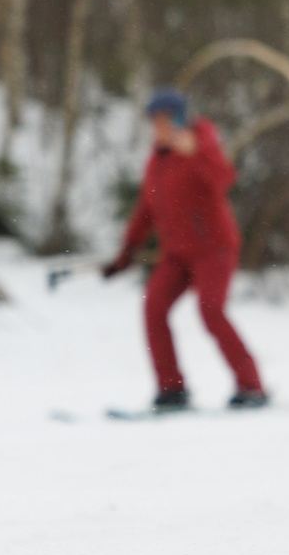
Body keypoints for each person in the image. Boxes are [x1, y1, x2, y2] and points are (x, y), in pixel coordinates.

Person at [103, 89, 269, 411]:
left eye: (163, 122)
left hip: (214, 248)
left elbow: (224, 179)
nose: (157, 130)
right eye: (154, 123)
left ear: (179, 120)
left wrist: (197, 152)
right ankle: (171, 389)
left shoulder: (202, 144)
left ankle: (251, 386)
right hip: (177, 255)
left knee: (211, 311)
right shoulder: (157, 161)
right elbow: (146, 210)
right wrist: (128, 251)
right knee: (153, 309)